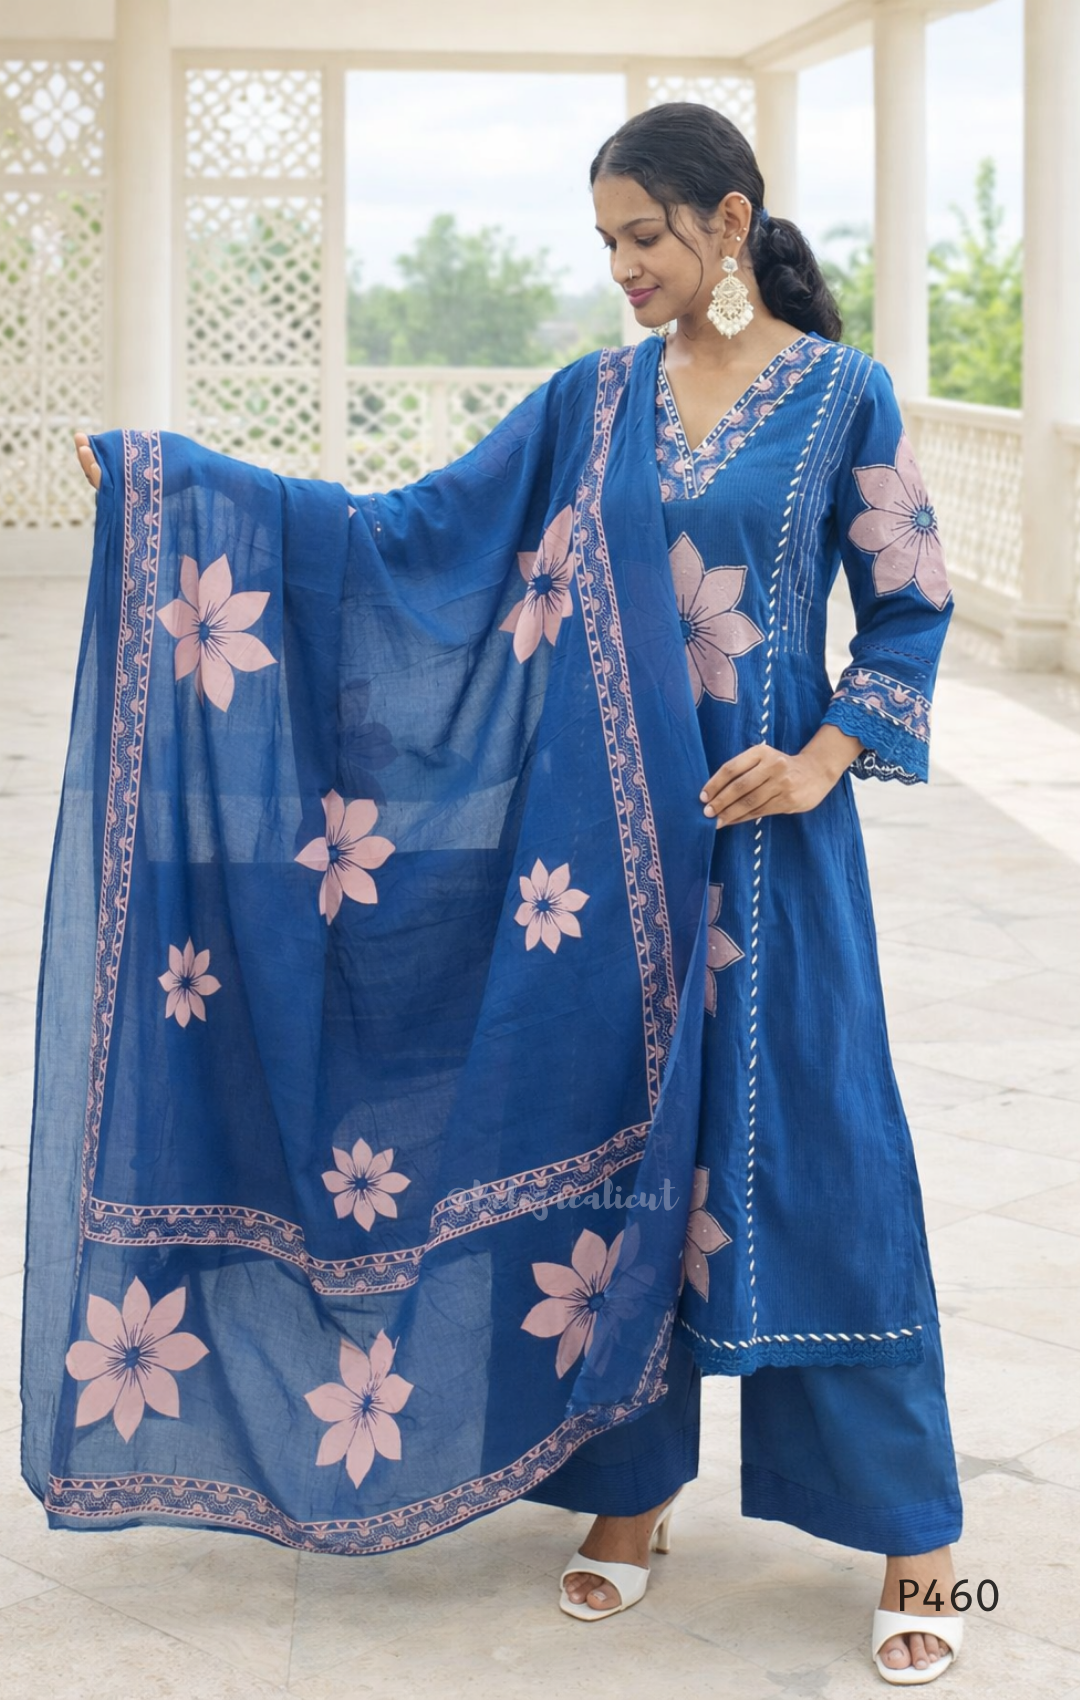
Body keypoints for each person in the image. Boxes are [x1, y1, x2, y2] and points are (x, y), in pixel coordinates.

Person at [55, 103, 961, 1686]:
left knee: (823, 1156)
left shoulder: (842, 399)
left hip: (774, 858)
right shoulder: (594, 403)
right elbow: (411, 536)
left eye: (646, 237)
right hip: (610, 875)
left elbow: (908, 608)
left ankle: (919, 1539)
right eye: (604, 240)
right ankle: (624, 1496)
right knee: (613, 1167)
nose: (620, 268)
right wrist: (176, 482)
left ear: (729, 224)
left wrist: (820, 758)